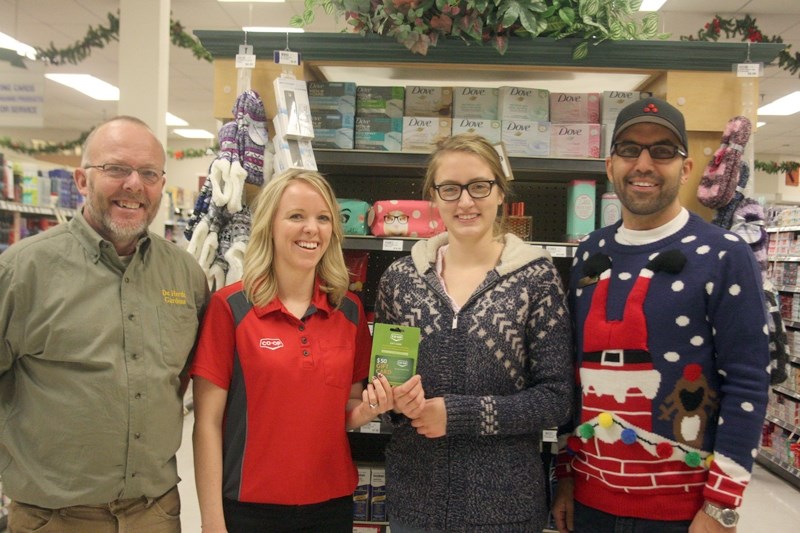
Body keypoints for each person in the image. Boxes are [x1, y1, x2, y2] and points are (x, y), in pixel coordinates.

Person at [552, 97, 771, 532]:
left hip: (683, 515)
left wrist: (720, 506)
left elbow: (747, 382)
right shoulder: (591, 251)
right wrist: (566, 478)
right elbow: (573, 373)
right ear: (610, 164)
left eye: (663, 151)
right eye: (630, 149)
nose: (644, 163)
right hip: (589, 505)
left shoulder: (725, 255)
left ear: (686, 168)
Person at [0, 116, 209, 532]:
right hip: (53, 520)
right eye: (116, 169)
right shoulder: (22, 271)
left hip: (156, 514)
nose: (134, 184)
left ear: (161, 185)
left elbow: (183, 378)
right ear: (82, 179)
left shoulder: (185, 275)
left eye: (149, 173)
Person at [374, 133, 574, 532]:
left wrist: (460, 415)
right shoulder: (400, 280)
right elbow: (386, 384)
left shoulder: (536, 278)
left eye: (479, 186)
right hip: (416, 506)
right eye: (450, 189)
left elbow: (556, 399)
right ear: (435, 197)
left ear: (500, 192)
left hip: (505, 510)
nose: (465, 202)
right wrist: (393, 402)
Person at [190, 169, 396, 533]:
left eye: (322, 218)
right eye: (296, 216)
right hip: (249, 507)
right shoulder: (231, 308)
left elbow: (345, 408)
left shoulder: (347, 311)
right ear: (270, 225)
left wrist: (369, 409)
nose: (311, 229)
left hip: (329, 506)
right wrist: (211, 521)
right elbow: (206, 424)